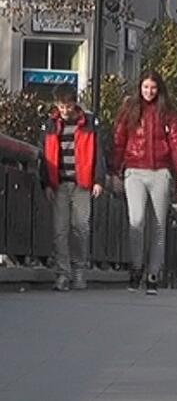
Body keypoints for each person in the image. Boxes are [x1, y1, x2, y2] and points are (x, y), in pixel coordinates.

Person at [111, 70, 177, 295]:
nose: (149, 91)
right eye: (145, 87)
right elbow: (119, 141)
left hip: (160, 172)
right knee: (136, 221)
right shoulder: (129, 109)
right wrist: (114, 171)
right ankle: (136, 267)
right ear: (139, 87)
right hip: (134, 170)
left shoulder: (168, 112)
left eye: (153, 87)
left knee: (158, 225)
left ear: (159, 89)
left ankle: (154, 273)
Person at [38, 85, 106, 291]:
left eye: (68, 106)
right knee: (60, 230)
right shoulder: (50, 124)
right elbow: (44, 156)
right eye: (61, 106)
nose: (65, 110)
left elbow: (99, 153)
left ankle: (79, 269)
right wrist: (46, 184)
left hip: (82, 183)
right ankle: (63, 273)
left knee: (81, 228)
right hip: (59, 183)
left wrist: (99, 180)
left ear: (75, 103)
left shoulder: (89, 123)